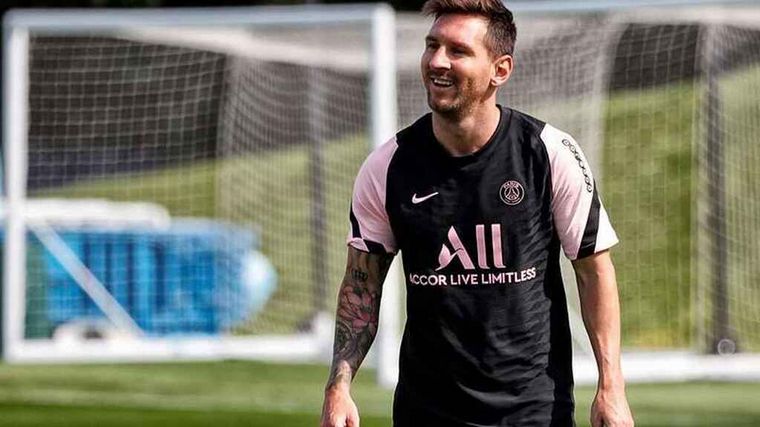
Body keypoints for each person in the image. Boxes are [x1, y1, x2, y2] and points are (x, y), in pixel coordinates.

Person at [321, 0, 634, 425]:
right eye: (432, 45)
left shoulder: (548, 154)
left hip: (533, 411)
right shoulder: (388, 166)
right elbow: (362, 284)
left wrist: (611, 387)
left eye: (458, 51)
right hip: (426, 412)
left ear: (499, 70)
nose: (437, 61)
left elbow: (594, 272)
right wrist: (339, 387)